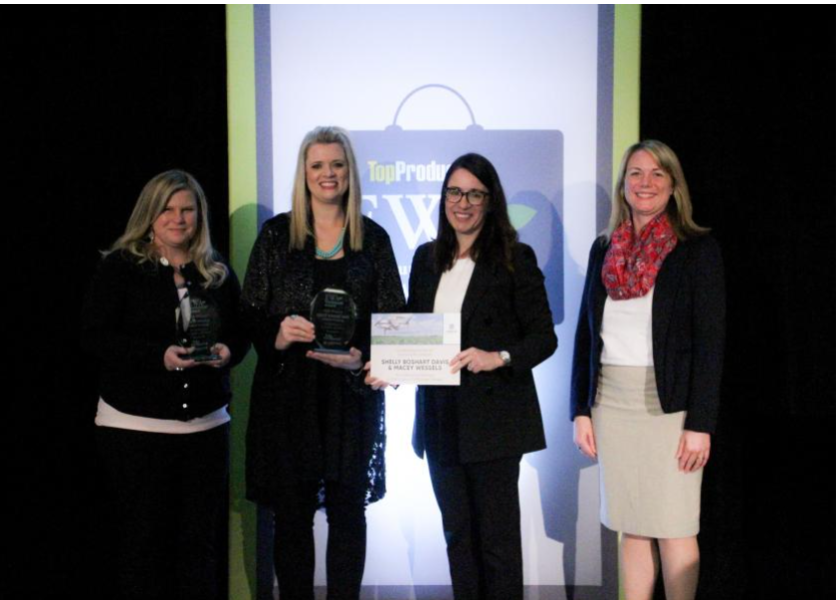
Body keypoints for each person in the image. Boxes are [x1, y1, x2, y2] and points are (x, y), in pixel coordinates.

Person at [370, 153, 557, 600]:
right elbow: (415, 332)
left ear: (491, 201)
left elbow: (543, 338)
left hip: (494, 424)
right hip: (440, 423)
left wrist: (501, 356)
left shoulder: (515, 258)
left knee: (497, 546)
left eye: (475, 193)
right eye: (455, 192)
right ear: (444, 198)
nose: (464, 202)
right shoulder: (425, 259)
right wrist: (391, 367)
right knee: (458, 541)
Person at [240, 126, 405, 600]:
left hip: (350, 399)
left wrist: (364, 358)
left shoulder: (372, 239)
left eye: (336, 164)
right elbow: (249, 312)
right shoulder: (277, 236)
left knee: (348, 512)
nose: (327, 174)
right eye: (317, 165)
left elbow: (394, 317)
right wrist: (277, 332)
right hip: (288, 397)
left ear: (349, 172)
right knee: (291, 515)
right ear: (304, 173)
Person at [81, 169, 249, 600]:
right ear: (150, 216)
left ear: (199, 216)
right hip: (135, 432)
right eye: (168, 210)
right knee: (143, 549)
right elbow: (96, 336)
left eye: (187, 210)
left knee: (199, 550)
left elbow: (240, 331)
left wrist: (229, 351)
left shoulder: (215, 269)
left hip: (205, 431)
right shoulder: (120, 267)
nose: (178, 219)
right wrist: (158, 357)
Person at [570, 140, 726, 600]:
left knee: (675, 527)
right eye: (636, 173)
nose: (645, 183)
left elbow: (710, 344)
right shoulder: (605, 249)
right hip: (611, 404)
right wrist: (581, 409)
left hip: (670, 407)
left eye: (658, 174)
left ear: (674, 186)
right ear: (623, 185)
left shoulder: (696, 250)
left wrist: (700, 423)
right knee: (631, 526)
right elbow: (585, 334)